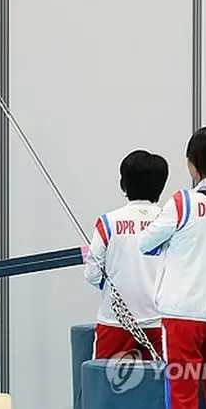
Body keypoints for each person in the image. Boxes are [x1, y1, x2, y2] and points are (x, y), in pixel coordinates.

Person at [139, 127, 206, 409]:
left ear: (191, 164)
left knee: (182, 398)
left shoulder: (181, 203)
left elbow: (145, 244)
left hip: (182, 316)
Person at [84, 149, 169, 360]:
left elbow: (92, 273)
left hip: (114, 323)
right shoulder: (169, 222)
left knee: (106, 389)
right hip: (159, 324)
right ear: (161, 186)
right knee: (159, 391)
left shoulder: (107, 222)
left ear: (123, 184)